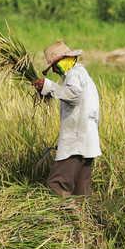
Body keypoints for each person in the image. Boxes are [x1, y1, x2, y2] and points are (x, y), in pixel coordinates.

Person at [33, 41, 101, 197]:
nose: (56, 71)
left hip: (76, 139)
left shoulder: (73, 74)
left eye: (55, 67)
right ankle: (82, 218)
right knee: (80, 189)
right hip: (87, 138)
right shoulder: (82, 73)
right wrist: (47, 90)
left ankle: (63, 218)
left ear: (63, 61)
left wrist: (48, 86)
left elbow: (72, 94)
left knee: (57, 184)